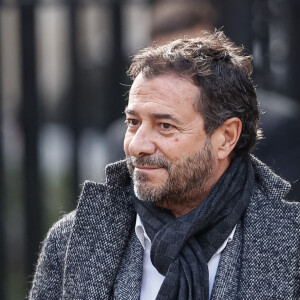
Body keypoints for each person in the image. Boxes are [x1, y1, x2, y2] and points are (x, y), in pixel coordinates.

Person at [29, 30, 300, 300]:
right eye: (133, 123)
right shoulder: (71, 241)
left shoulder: (290, 244)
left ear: (226, 137)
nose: (137, 146)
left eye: (165, 126)